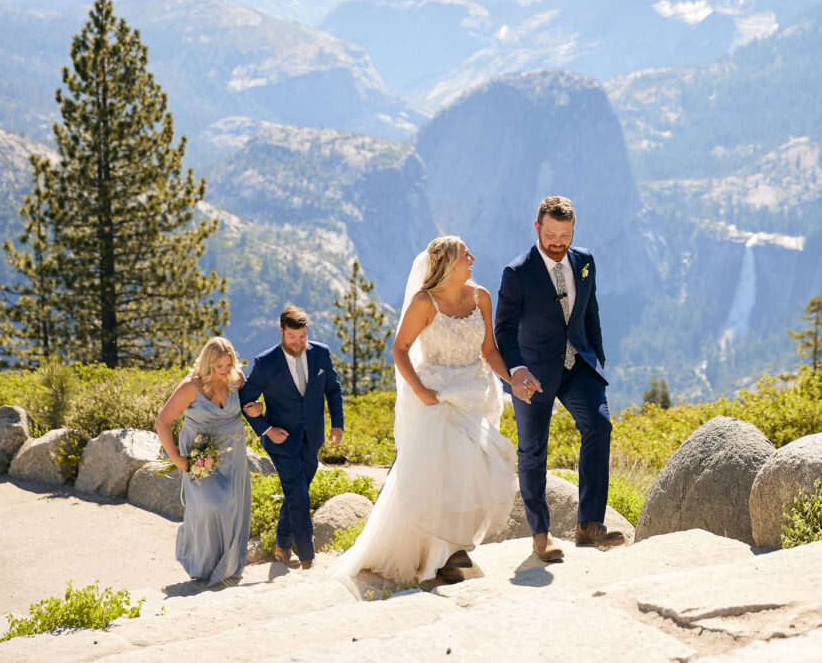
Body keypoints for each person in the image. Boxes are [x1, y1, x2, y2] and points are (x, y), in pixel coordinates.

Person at [332, 236, 516, 585]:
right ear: (448, 262)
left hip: (473, 395)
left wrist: (512, 381)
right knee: (440, 473)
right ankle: (443, 556)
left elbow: (489, 351)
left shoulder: (481, 297)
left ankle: (451, 550)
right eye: (466, 254)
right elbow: (400, 349)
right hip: (437, 397)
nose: (473, 257)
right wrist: (421, 392)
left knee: (479, 467)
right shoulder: (424, 303)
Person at [495, 196, 625, 562]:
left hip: (579, 366)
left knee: (599, 426)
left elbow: (590, 310)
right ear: (537, 228)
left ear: (573, 231)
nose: (557, 242)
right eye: (550, 234)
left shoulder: (584, 261)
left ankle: (589, 526)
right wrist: (517, 370)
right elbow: (503, 330)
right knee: (533, 451)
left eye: (564, 235)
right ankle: (541, 535)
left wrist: (597, 355)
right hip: (532, 375)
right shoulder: (517, 272)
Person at [240, 306, 344, 570]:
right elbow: (245, 398)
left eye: (302, 337)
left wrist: (337, 424)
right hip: (280, 441)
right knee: (298, 495)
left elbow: (333, 389)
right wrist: (265, 428)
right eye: (292, 337)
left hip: (313, 437)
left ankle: (282, 544)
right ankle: (308, 559)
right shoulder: (266, 362)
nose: (298, 342)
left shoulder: (320, 353)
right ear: (281, 332)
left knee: (297, 492)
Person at [155, 336, 253, 585]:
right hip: (201, 457)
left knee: (232, 507)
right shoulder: (190, 387)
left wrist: (258, 409)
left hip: (233, 454)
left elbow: (252, 406)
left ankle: (227, 566)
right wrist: (177, 459)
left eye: (227, 366)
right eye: (218, 367)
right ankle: (201, 563)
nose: (223, 371)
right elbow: (162, 422)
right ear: (207, 363)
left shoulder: (237, 379)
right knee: (209, 505)